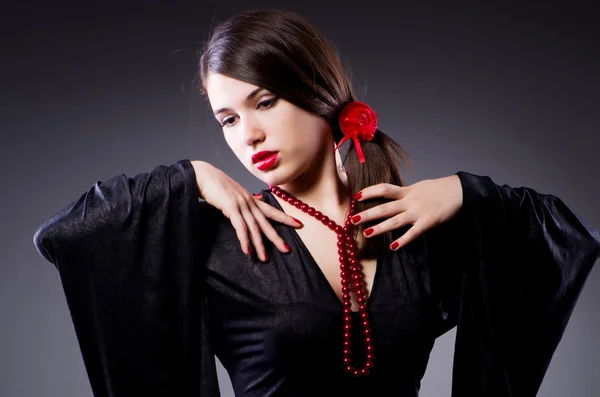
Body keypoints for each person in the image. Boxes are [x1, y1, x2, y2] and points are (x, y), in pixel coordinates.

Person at [33, 8, 600, 397]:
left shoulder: (413, 227)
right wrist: (189, 177)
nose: (247, 135)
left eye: (266, 102)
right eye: (228, 119)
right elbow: (65, 234)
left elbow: (564, 240)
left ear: (317, 92)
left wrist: (465, 192)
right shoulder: (221, 234)